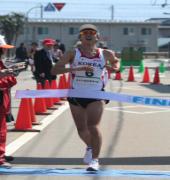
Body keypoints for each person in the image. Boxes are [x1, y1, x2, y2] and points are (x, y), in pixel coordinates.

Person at [51, 24, 120, 171]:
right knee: (81, 129)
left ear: (97, 37)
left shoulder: (105, 53)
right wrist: (75, 68)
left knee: (93, 126)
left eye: (92, 32)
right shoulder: (72, 53)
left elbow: (116, 62)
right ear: (80, 37)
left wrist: (114, 67)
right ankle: (90, 146)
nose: (88, 34)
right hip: (76, 94)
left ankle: (95, 160)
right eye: (85, 33)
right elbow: (54, 70)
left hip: (96, 95)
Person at [0, 35, 17, 168]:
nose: (5, 51)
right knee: (1, 131)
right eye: (3, 49)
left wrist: (10, 74)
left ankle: (1, 154)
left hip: (3, 101)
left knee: (2, 130)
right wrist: (7, 75)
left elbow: (7, 81)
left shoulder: (1, 61)